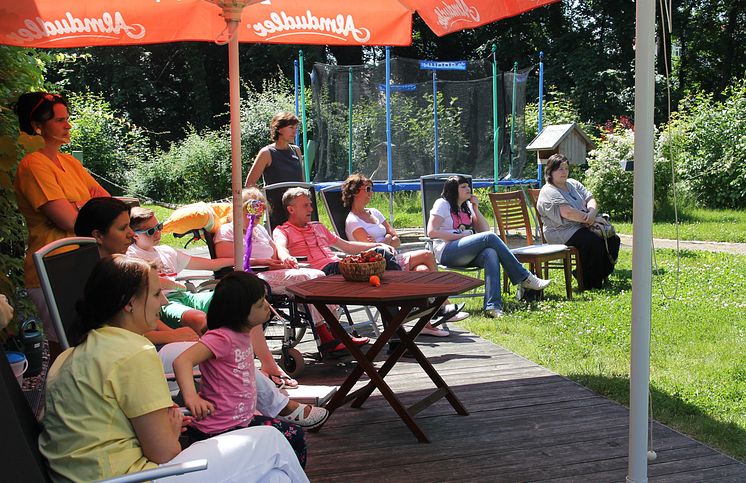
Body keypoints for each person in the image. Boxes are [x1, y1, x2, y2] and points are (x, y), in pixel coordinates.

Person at [38, 255, 309, 483]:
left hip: (90, 475)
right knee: (271, 438)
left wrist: (169, 420)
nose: (164, 302)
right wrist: (171, 426)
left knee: (276, 477)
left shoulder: (71, 355)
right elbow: (165, 452)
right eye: (156, 294)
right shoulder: (134, 353)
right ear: (129, 302)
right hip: (129, 477)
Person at [173, 271, 326, 468]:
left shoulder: (241, 333)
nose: (268, 308)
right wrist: (192, 398)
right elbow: (182, 361)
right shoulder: (221, 337)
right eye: (260, 304)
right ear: (240, 311)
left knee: (285, 440)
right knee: (292, 436)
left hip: (240, 421)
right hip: (218, 428)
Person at [215, 188, 368, 364]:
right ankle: (328, 334)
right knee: (308, 279)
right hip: (250, 277)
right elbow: (226, 259)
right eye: (254, 208)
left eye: (262, 209)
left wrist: (284, 259)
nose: (259, 213)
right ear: (242, 209)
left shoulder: (260, 231)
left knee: (316, 275)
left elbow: (276, 251)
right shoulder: (228, 231)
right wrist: (263, 261)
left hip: (272, 272)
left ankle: (333, 332)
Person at [13, 92, 110, 354]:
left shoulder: (68, 161)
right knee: (67, 347)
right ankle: (59, 395)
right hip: (52, 264)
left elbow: (106, 204)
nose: (67, 125)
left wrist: (79, 208)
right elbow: (68, 220)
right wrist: (81, 209)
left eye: (67, 119)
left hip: (82, 260)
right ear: (37, 125)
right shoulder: (33, 165)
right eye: (59, 120)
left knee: (92, 341)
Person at [341, 173, 468, 336]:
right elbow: (370, 251)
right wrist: (387, 240)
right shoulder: (353, 221)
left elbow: (397, 239)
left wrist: (386, 240)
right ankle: (443, 304)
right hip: (381, 265)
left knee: (422, 270)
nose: (371, 192)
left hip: (395, 257)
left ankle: (425, 325)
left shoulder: (374, 213)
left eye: (371, 189)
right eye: (367, 189)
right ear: (355, 191)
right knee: (427, 255)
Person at [75, 198, 199, 346]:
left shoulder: (114, 266)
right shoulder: (98, 278)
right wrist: (172, 336)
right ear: (98, 236)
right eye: (123, 228)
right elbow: (117, 334)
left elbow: (141, 318)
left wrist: (173, 334)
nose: (132, 234)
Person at [427, 176, 551, 318]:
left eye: (468, 186)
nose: (468, 189)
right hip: (447, 251)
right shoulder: (442, 204)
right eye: (463, 187)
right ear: (453, 190)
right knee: (490, 237)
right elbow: (431, 232)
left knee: (490, 252)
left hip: (465, 252)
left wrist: (475, 208)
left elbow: (484, 229)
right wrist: (462, 236)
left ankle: (492, 307)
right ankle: (524, 277)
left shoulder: (466, 206)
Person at [127, 207, 234, 335]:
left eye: (159, 227)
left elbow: (211, 265)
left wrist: (247, 260)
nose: (157, 233)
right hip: (163, 303)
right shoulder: (130, 254)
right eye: (150, 231)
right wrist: (177, 286)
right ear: (135, 235)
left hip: (186, 296)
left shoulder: (166, 251)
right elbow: (149, 281)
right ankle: (216, 350)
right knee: (199, 319)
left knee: (234, 296)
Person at [536, 154, 621, 289]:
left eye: (566, 168)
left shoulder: (573, 183)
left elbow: (590, 199)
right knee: (592, 241)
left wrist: (592, 213)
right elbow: (567, 212)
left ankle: (596, 274)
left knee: (613, 239)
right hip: (562, 231)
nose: (564, 172)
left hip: (582, 224)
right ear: (550, 172)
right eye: (560, 169)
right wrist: (590, 220)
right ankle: (590, 283)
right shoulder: (549, 191)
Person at [274, 187, 398, 276]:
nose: (311, 209)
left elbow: (346, 246)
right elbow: (281, 248)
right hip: (321, 272)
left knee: (381, 253)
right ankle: (406, 297)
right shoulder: (282, 231)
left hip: (339, 266)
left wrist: (377, 245)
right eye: (305, 205)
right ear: (291, 209)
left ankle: (403, 297)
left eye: (310, 205)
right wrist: (287, 258)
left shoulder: (318, 227)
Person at [244, 112, 304, 187]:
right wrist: (262, 198)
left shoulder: (296, 150)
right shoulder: (266, 153)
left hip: (297, 197)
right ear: (279, 129)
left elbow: (302, 182)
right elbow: (249, 184)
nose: (294, 132)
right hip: (274, 198)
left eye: (296, 128)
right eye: (291, 127)